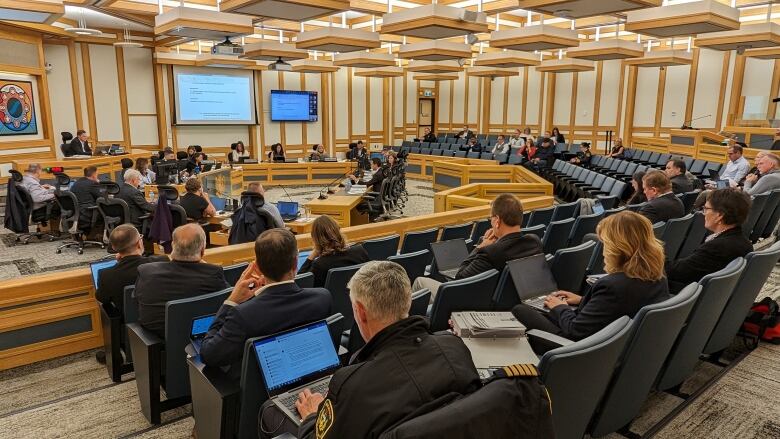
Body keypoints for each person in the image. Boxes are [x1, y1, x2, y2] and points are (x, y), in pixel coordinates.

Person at [273, 261, 481, 439]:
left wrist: (312, 416)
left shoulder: (353, 385)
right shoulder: (454, 348)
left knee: (269, 412)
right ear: (408, 300)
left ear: (361, 312)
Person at [511, 211, 669, 346]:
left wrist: (560, 307)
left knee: (521, 310)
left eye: (606, 244)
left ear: (618, 248)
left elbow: (575, 331)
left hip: (578, 347)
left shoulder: (611, 286)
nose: (603, 251)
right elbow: (619, 305)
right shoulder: (657, 275)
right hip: (615, 340)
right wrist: (582, 300)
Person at [200, 228, 332, 371]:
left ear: (257, 267)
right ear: (295, 263)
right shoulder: (322, 298)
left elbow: (208, 355)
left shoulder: (243, 314)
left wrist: (231, 301)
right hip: (313, 373)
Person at [412, 194, 543, 298]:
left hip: (472, 303)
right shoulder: (534, 241)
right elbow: (510, 247)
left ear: (497, 221)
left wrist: (480, 247)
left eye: (491, 218)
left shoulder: (490, 252)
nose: (490, 222)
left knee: (420, 282)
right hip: (509, 300)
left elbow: (460, 278)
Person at [136, 223, 229, 338]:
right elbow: (229, 300)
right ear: (203, 250)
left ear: (172, 245)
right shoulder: (213, 275)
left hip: (157, 341)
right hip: (201, 337)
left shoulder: (146, 272)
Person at [666, 189, 753, 294]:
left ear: (719, 215)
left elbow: (675, 272)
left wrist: (652, 253)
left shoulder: (718, 247)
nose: (704, 213)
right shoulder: (744, 243)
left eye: (706, 208)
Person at [96, 224, 167, 317]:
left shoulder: (106, 275)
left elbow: (102, 298)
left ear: (113, 248)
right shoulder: (162, 262)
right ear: (139, 243)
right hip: (161, 319)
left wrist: (119, 264)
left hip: (129, 325)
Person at [298, 215, 370, 287]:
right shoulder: (359, 251)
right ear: (338, 231)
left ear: (316, 238)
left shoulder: (320, 264)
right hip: (359, 296)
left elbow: (300, 282)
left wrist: (311, 256)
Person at [69, 165, 103, 236]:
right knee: (108, 212)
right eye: (97, 174)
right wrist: (99, 184)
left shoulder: (77, 182)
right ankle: (99, 236)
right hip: (88, 214)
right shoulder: (92, 183)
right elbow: (102, 195)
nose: (97, 176)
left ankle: (90, 236)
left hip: (76, 214)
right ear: (94, 175)